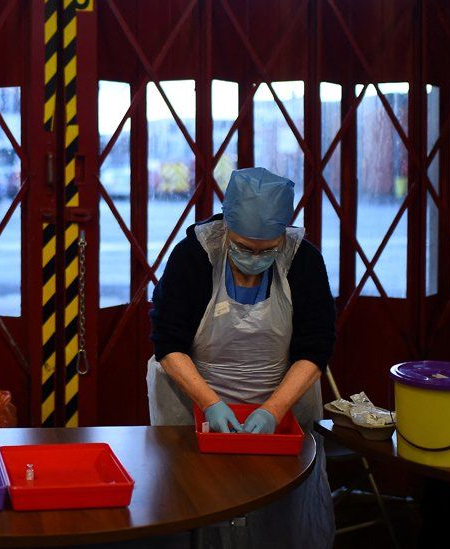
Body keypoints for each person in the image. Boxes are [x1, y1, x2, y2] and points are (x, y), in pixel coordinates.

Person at [148, 166, 336, 548]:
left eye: (266, 250)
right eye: (244, 247)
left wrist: (273, 410)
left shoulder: (303, 261)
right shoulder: (194, 256)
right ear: (227, 226)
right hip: (195, 402)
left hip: (280, 403)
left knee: (277, 516)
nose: (254, 257)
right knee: (199, 506)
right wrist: (211, 405)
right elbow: (169, 345)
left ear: (282, 235)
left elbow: (316, 349)